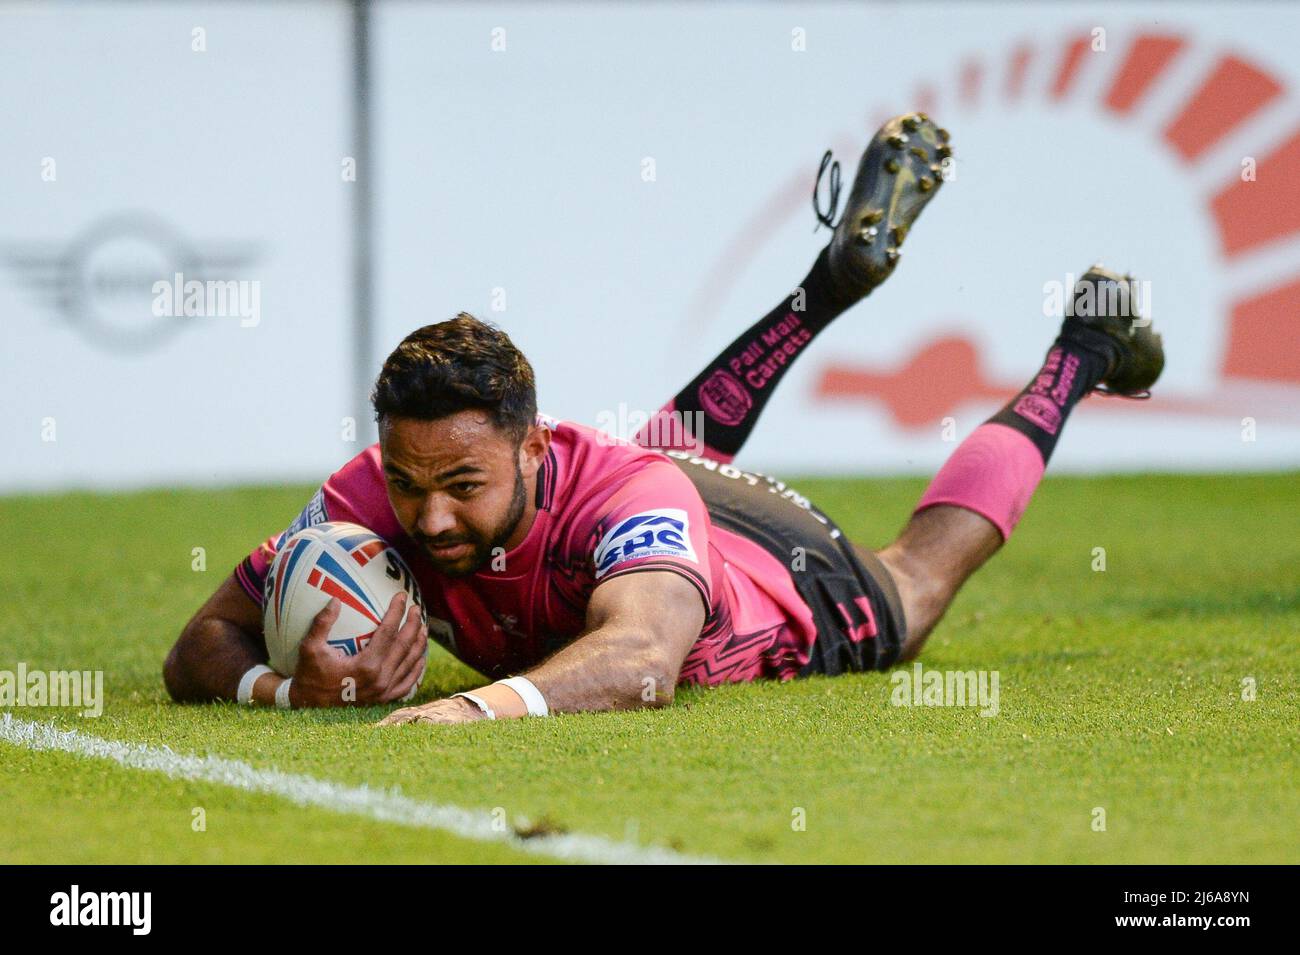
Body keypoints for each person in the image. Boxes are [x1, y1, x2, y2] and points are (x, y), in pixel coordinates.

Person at [162, 113, 1163, 724]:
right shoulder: (369, 493)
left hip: (783, 580)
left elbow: (641, 662)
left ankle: (1079, 352)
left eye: (463, 487)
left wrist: (471, 709)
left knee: (914, 578)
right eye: (408, 483)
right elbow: (199, 643)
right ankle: (824, 287)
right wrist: (285, 691)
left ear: (531, 446)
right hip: (653, 488)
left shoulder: (621, 492)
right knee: (653, 460)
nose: (426, 521)